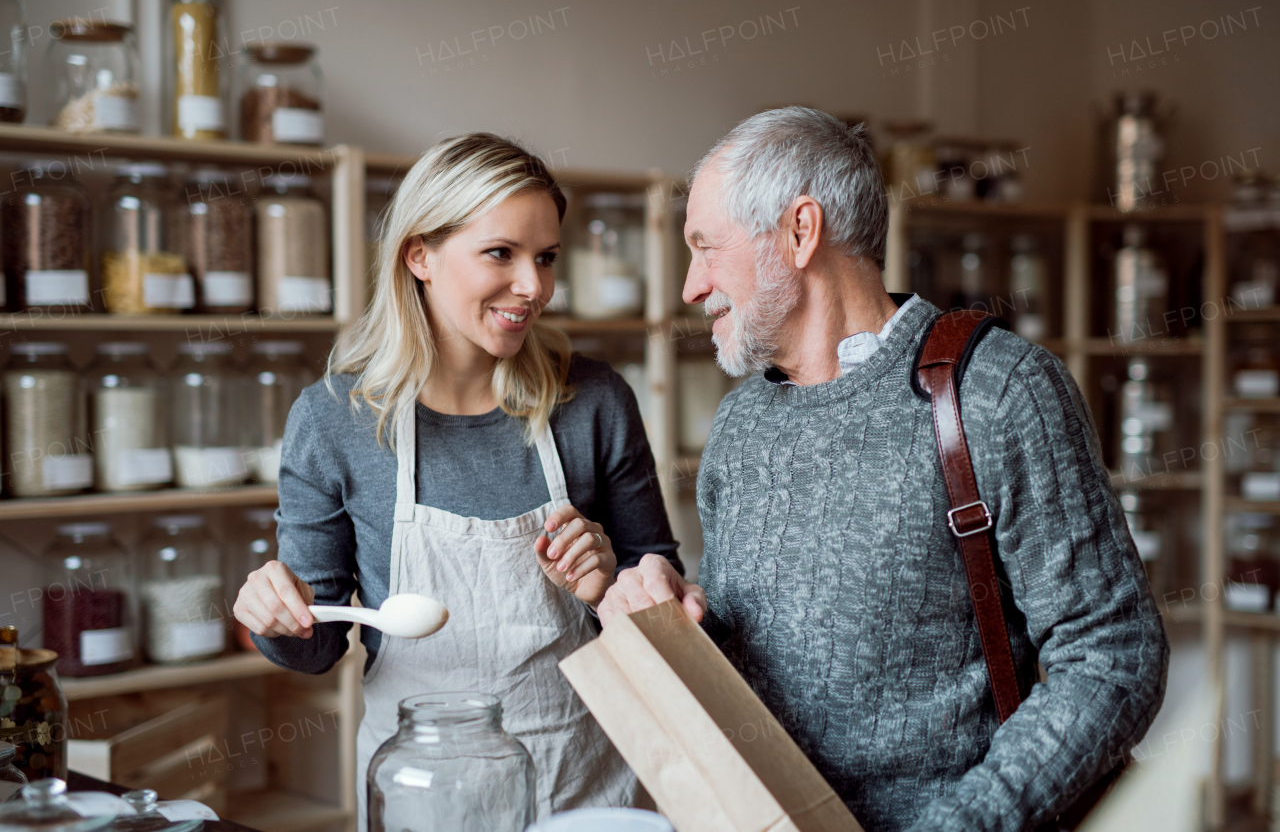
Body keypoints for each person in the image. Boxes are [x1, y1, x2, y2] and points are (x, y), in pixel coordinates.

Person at [597, 108, 1169, 832]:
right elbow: (754, 654)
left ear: (800, 231)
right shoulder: (740, 426)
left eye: (705, 246)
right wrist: (672, 616)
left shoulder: (997, 391)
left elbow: (1114, 658)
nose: (690, 284)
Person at [232, 133, 681, 826]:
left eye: (546, 258)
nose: (533, 287)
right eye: (500, 253)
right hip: (419, 789)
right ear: (421, 255)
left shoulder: (593, 401)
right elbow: (317, 642)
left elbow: (662, 600)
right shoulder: (335, 420)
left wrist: (611, 585)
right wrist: (275, 612)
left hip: (581, 785)